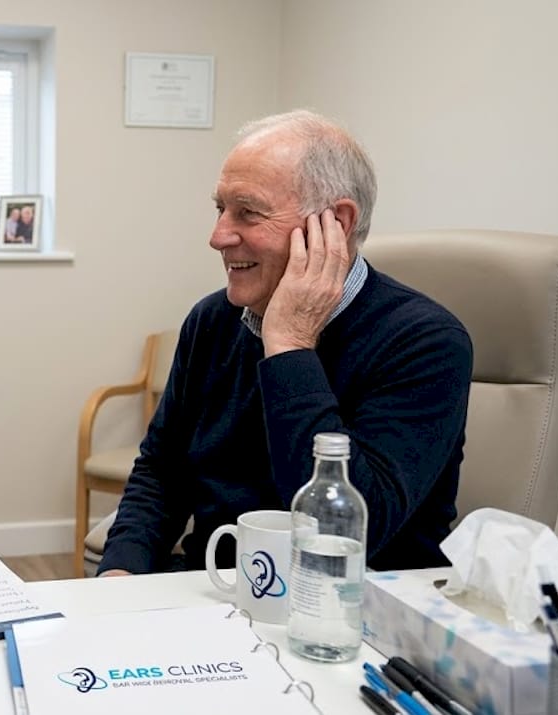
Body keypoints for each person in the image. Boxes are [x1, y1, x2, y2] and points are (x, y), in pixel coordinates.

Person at [98, 110, 472, 577]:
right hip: (215, 591)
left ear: (335, 222)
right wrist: (120, 574)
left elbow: (347, 535)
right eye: (220, 208)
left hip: (354, 610)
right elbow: (162, 470)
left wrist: (290, 345)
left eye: (248, 212)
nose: (218, 237)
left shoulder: (426, 341)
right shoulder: (213, 320)